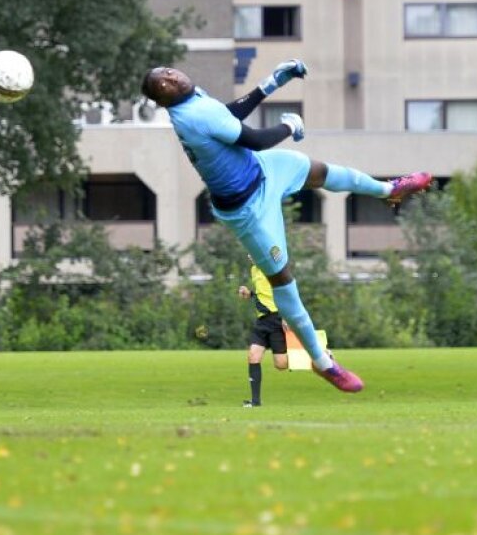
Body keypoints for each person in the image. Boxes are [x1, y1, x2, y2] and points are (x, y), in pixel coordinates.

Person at [141, 60, 432, 393]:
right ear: (162, 100)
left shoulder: (194, 100)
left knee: (323, 172)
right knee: (283, 282)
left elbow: (228, 116)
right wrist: (288, 126)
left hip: (261, 169)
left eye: (168, 72)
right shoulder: (192, 115)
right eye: (163, 83)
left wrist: (271, 84)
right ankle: (323, 363)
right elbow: (255, 139)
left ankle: (389, 190)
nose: (171, 78)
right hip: (248, 209)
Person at [238, 258, 289, 407]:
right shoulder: (254, 269)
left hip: (277, 318)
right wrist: (250, 294)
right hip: (262, 321)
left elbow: (285, 291)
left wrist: (286, 315)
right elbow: (264, 294)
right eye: (248, 253)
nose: (249, 256)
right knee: (253, 356)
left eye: (252, 252)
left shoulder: (271, 267)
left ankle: (319, 356)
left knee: (281, 364)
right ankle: (255, 401)